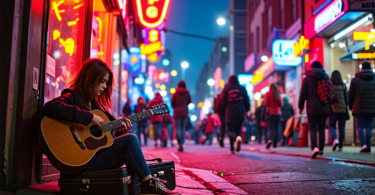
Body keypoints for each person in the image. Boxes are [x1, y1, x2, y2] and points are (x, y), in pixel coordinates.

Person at [43, 58, 179, 195]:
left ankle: (139, 187)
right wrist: (88, 117)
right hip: (78, 162)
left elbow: (104, 142)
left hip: (91, 159)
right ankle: (148, 183)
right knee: (131, 139)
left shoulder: (97, 105)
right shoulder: (74, 94)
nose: (104, 86)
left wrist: (122, 133)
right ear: (90, 78)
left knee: (129, 141)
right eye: (102, 81)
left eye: (106, 83)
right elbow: (51, 107)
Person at [298, 61, 331, 158]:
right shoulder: (325, 77)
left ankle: (314, 147)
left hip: (312, 107)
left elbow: (303, 94)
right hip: (324, 106)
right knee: (321, 128)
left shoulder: (307, 79)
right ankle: (321, 149)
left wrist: (300, 106)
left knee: (312, 127)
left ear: (312, 68)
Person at [349, 61, 375, 153]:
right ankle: (368, 146)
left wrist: (350, 105)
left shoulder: (355, 80)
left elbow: (351, 95)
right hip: (372, 107)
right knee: (368, 126)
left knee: (360, 125)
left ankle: (363, 145)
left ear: (362, 68)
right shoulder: (374, 78)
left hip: (359, 106)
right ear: (370, 68)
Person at [221, 75, 250, 154]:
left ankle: (232, 148)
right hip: (240, 111)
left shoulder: (226, 89)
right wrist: (247, 110)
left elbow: (223, 102)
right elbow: (247, 100)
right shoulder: (242, 88)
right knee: (238, 129)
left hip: (229, 112)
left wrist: (222, 112)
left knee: (230, 130)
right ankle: (238, 138)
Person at [329, 70, 348, 151]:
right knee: (341, 127)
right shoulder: (343, 85)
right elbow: (347, 97)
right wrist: (345, 105)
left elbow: (328, 97)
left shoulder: (330, 85)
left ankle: (334, 140)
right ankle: (340, 146)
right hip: (342, 109)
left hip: (333, 109)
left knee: (331, 126)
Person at [171, 81, 191, 152]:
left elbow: (172, 104)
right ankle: (182, 143)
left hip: (177, 112)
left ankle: (179, 144)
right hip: (185, 112)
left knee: (177, 128)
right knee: (183, 128)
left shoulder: (175, 93)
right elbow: (189, 101)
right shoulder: (187, 92)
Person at [264, 83, 284, 150]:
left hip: (270, 113)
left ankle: (269, 140)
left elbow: (265, 104)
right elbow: (281, 104)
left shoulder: (268, 93)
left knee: (270, 128)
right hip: (278, 113)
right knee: (276, 129)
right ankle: (275, 146)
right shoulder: (278, 94)